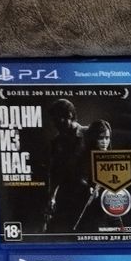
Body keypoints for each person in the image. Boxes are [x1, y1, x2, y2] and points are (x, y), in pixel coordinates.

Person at [45, 98, 87, 233]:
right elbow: (54, 172)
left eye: (58, 119)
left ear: (69, 115)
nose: (55, 124)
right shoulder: (56, 142)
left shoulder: (88, 133)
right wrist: (52, 197)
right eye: (54, 120)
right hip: (66, 196)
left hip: (89, 195)